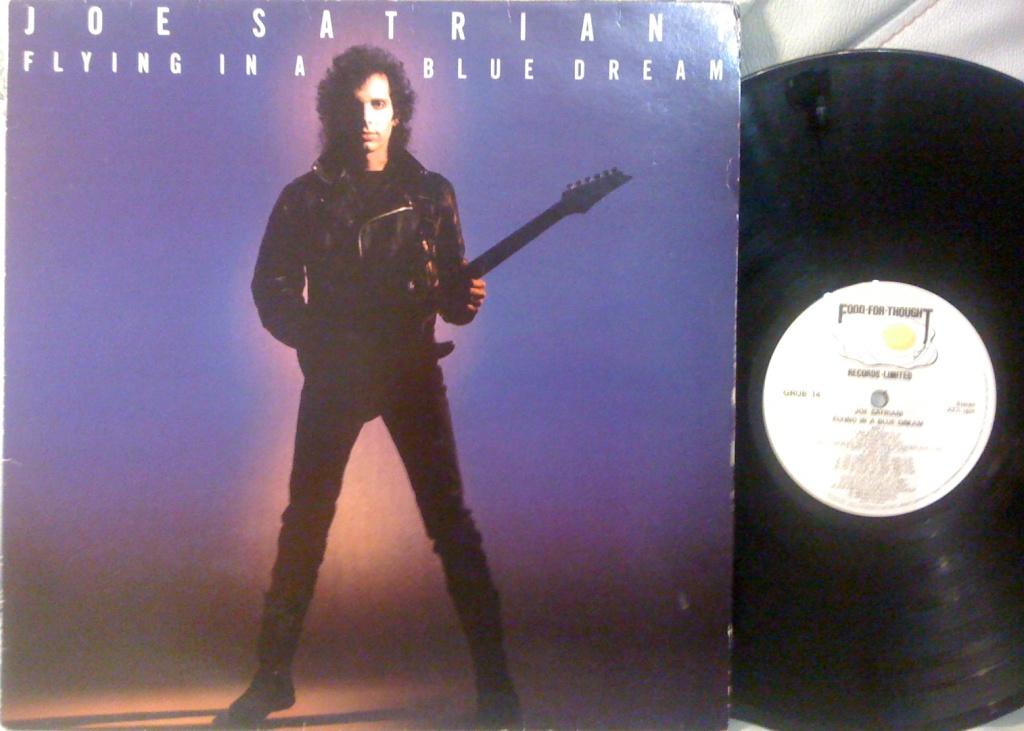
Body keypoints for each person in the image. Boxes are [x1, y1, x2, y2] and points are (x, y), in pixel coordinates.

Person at [214, 45, 520, 729]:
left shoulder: (433, 193)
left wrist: (467, 299)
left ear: (397, 112)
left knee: (452, 526)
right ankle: (270, 680)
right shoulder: (303, 198)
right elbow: (270, 288)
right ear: (333, 115)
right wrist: (320, 341)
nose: (366, 119)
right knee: (305, 523)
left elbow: (452, 299)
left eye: (378, 104)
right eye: (353, 107)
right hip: (336, 378)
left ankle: (498, 689)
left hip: (411, 372)